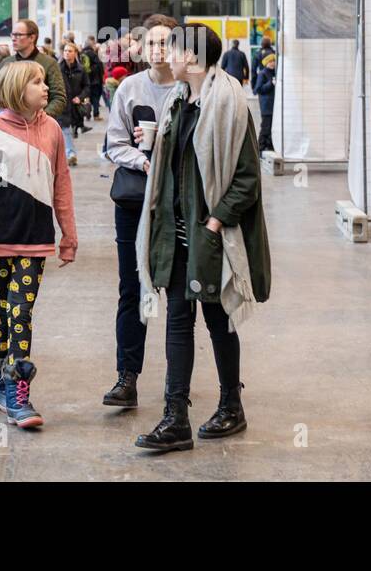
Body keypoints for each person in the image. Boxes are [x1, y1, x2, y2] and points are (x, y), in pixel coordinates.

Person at [134, 24, 271, 453]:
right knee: (177, 322)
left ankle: (232, 404)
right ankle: (176, 417)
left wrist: (215, 222)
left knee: (217, 321)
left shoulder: (229, 105)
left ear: (191, 57)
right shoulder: (179, 102)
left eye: (172, 50)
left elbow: (247, 179)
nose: (165, 57)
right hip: (175, 235)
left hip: (209, 235)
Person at [0, 60, 78, 429]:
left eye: (44, 81)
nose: (45, 88)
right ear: (15, 89)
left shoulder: (53, 129)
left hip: (35, 241)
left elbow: (62, 186)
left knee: (19, 313)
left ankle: (17, 391)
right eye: (36, 82)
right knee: (0, 311)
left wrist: (68, 235)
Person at [100, 14, 180, 408]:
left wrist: (164, 151)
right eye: (151, 44)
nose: (157, 51)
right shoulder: (129, 89)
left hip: (178, 203)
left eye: (164, 43)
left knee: (178, 292)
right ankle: (126, 377)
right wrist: (143, 159)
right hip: (134, 201)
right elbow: (112, 144)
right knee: (131, 288)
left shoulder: (186, 89)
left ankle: (176, 382)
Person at [0, 19, 71, 162]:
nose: (13, 38)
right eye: (12, 34)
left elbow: (59, 97)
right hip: (9, 130)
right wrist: (3, 117)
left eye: (18, 34)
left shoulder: (49, 63)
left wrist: (40, 118)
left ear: (32, 37)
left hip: (39, 132)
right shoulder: (7, 63)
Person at [60, 41, 90, 143]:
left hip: (75, 104)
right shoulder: (57, 69)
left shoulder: (81, 70)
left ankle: (70, 149)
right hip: (63, 104)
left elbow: (87, 87)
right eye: (65, 51)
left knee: (70, 129)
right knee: (65, 130)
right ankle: (69, 152)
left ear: (75, 53)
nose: (67, 53)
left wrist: (80, 97)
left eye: (70, 51)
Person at [254, 52, 276, 153]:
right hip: (266, 105)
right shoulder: (262, 74)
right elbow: (258, 88)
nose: (272, 63)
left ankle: (269, 146)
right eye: (270, 61)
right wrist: (270, 84)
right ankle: (260, 148)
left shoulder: (275, 73)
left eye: (274, 61)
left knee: (272, 126)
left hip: (273, 105)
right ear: (266, 62)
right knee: (265, 127)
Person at [82, 35, 106, 121]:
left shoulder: (82, 53)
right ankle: (96, 115)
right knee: (95, 97)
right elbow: (99, 67)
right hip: (95, 80)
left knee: (87, 97)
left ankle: (86, 111)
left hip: (85, 80)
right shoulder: (93, 54)